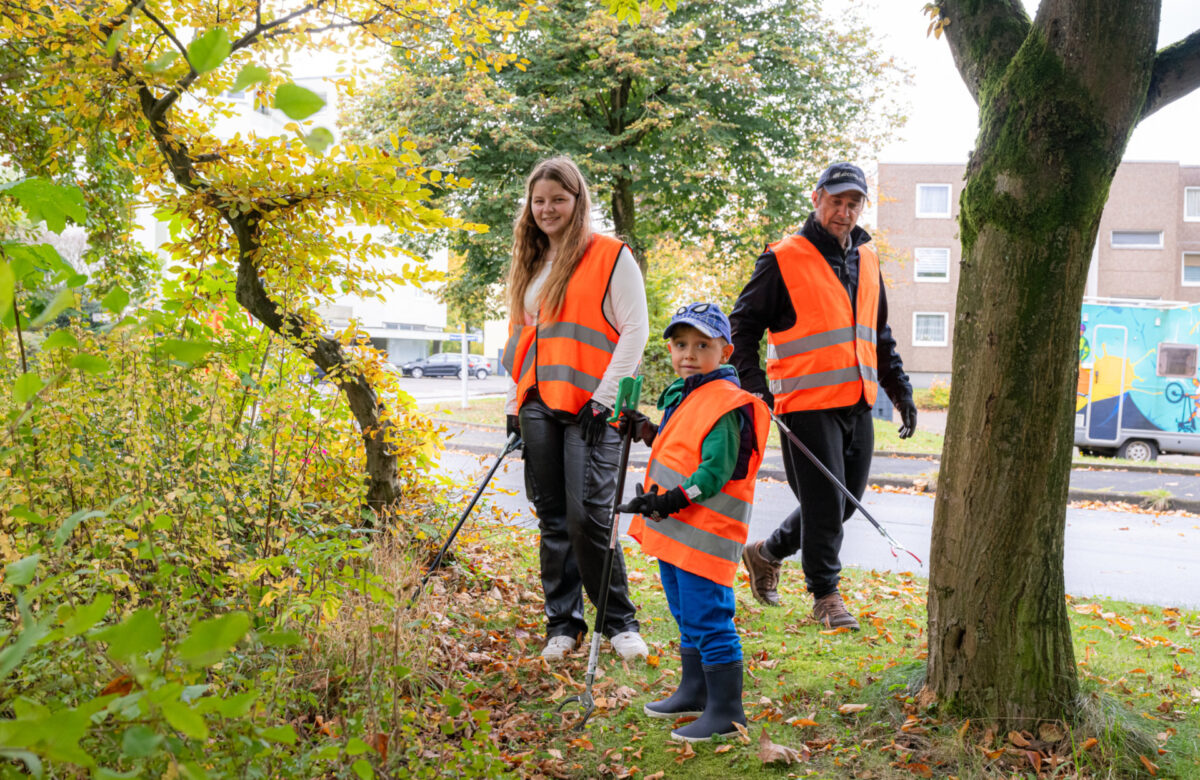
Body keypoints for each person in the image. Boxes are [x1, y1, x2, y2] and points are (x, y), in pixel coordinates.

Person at [730, 161, 917, 629]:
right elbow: (743, 325)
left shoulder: (867, 258)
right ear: (817, 199)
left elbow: (879, 332)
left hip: (857, 401)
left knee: (846, 499)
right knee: (823, 505)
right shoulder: (783, 257)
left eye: (854, 203)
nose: (845, 211)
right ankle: (825, 597)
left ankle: (767, 552)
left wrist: (900, 391)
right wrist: (754, 387)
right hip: (804, 404)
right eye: (837, 201)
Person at [501, 156, 650, 662]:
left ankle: (619, 621)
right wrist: (512, 404)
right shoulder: (531, 260)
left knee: (590, 515)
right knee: (553, 518)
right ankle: (563, 624)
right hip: (539, 404)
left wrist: (604, 398)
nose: (547, 209)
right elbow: (521, 340)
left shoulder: (610, 255)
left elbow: (636, 330)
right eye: (538, 201)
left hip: (593, 406)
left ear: (577, 201)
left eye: (558, 200)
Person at [617, 303, 770, 742]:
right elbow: (678, 445)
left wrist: (671, 500)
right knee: (686, 614)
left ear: (725, 351)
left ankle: (726, 710)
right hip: (677, 533)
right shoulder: (688, 391)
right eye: (681, 344)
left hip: (705, 535)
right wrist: (645, 428)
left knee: (709, 618)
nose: (688, 353)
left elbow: (713, 473)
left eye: (702, 345)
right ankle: (693, 690)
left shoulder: (724, 404)